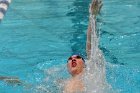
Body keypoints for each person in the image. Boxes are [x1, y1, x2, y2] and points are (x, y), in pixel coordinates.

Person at [63, 0, 102, 93]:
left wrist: (92, 17)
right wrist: (21, 83)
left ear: (85, 65)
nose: (73, 59)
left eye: (77, 57)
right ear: (67, 68)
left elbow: (90, 45)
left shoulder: (90, 75)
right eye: (70, 59)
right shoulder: (62, 82)